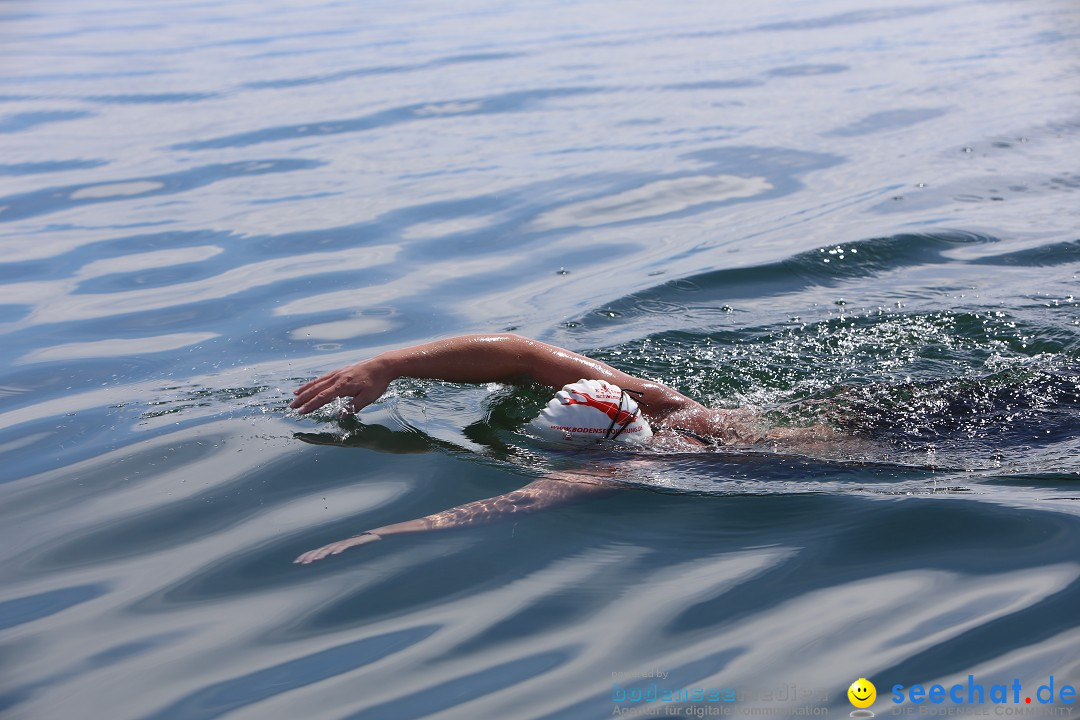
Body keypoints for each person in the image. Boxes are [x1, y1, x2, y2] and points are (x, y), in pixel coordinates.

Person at [290, 334, 833, 564]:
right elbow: (524, 355)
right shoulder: (670, 406)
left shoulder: (627, 464)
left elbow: (518, 504)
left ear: (582, 447)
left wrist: (385, 530)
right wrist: (386, 364)